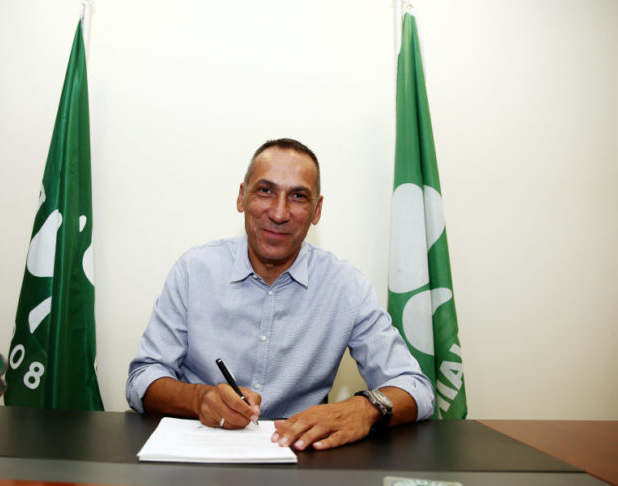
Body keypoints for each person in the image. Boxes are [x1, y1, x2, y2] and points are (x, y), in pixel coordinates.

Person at [126, 138, 434, 451]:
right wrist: (199, 399)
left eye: (298, 196)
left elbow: (417, 389)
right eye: (265, 191)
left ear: (317, 210)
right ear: (241, 197)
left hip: (303, 457)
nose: (279, 212)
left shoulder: (346, 287)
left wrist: (362, 409)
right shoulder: (194, 270)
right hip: (200, 453)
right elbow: (143, 378)